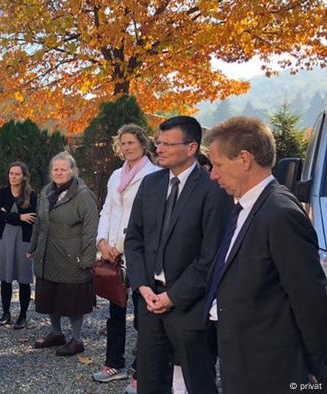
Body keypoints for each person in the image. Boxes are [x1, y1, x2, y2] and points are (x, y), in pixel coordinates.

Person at [204, 116, 327, 394]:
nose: (212, 174)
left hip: (271, 372)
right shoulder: (244, 207)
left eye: (218, 165)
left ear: (244, 159)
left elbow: (310, 301)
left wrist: (316, 373)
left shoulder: (280, 213)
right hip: (242, 361)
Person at [125, 116, 232, 394]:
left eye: (167, 144)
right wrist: (141, 285)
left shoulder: (213, 190)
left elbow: (212, 256)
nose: (159, 149)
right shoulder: (150, 185)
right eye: (158, 142)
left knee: (198, 381)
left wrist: (173, 297)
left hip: (189, 307)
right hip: (149, 302)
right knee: (149, 382)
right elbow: (134, 240)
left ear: (191, 147)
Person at [93, 125, 158, 390]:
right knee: (115, 309)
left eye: (132, 142)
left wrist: (120, 245)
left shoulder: (154, 175)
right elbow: (107, 210)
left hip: (139, 251)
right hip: (112, 253)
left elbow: (144, 218)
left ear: (143, 144)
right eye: (123, 143)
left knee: (144, 316)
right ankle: (114, 363)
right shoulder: (117, 174)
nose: (127, 147)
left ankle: (140, 371)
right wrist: (102, 241)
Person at [28, 152, 98, 357]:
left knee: (73, 300)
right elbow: (39, 223)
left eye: (63, 169)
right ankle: (56, 333)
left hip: (71, 258)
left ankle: (77, 340)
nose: (58, 172)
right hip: (47, 254)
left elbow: (90, 229)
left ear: (73, 171)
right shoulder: (47, 191)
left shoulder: (83, 195)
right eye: (55, 169)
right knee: (50, 295)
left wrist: (87, 259)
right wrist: (32, 246)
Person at [0, 161, 38, 329]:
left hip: (23, 240)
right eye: (11, 173)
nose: (13, 176)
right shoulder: (3, 193)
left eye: (17, 174)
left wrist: (8, 214)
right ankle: (6, 313)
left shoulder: (30, 194)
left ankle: (23, 316)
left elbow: (31, 218)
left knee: (23, 279)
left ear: (24, 176)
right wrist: (19, 217)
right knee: (6, 278)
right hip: (4, 239)